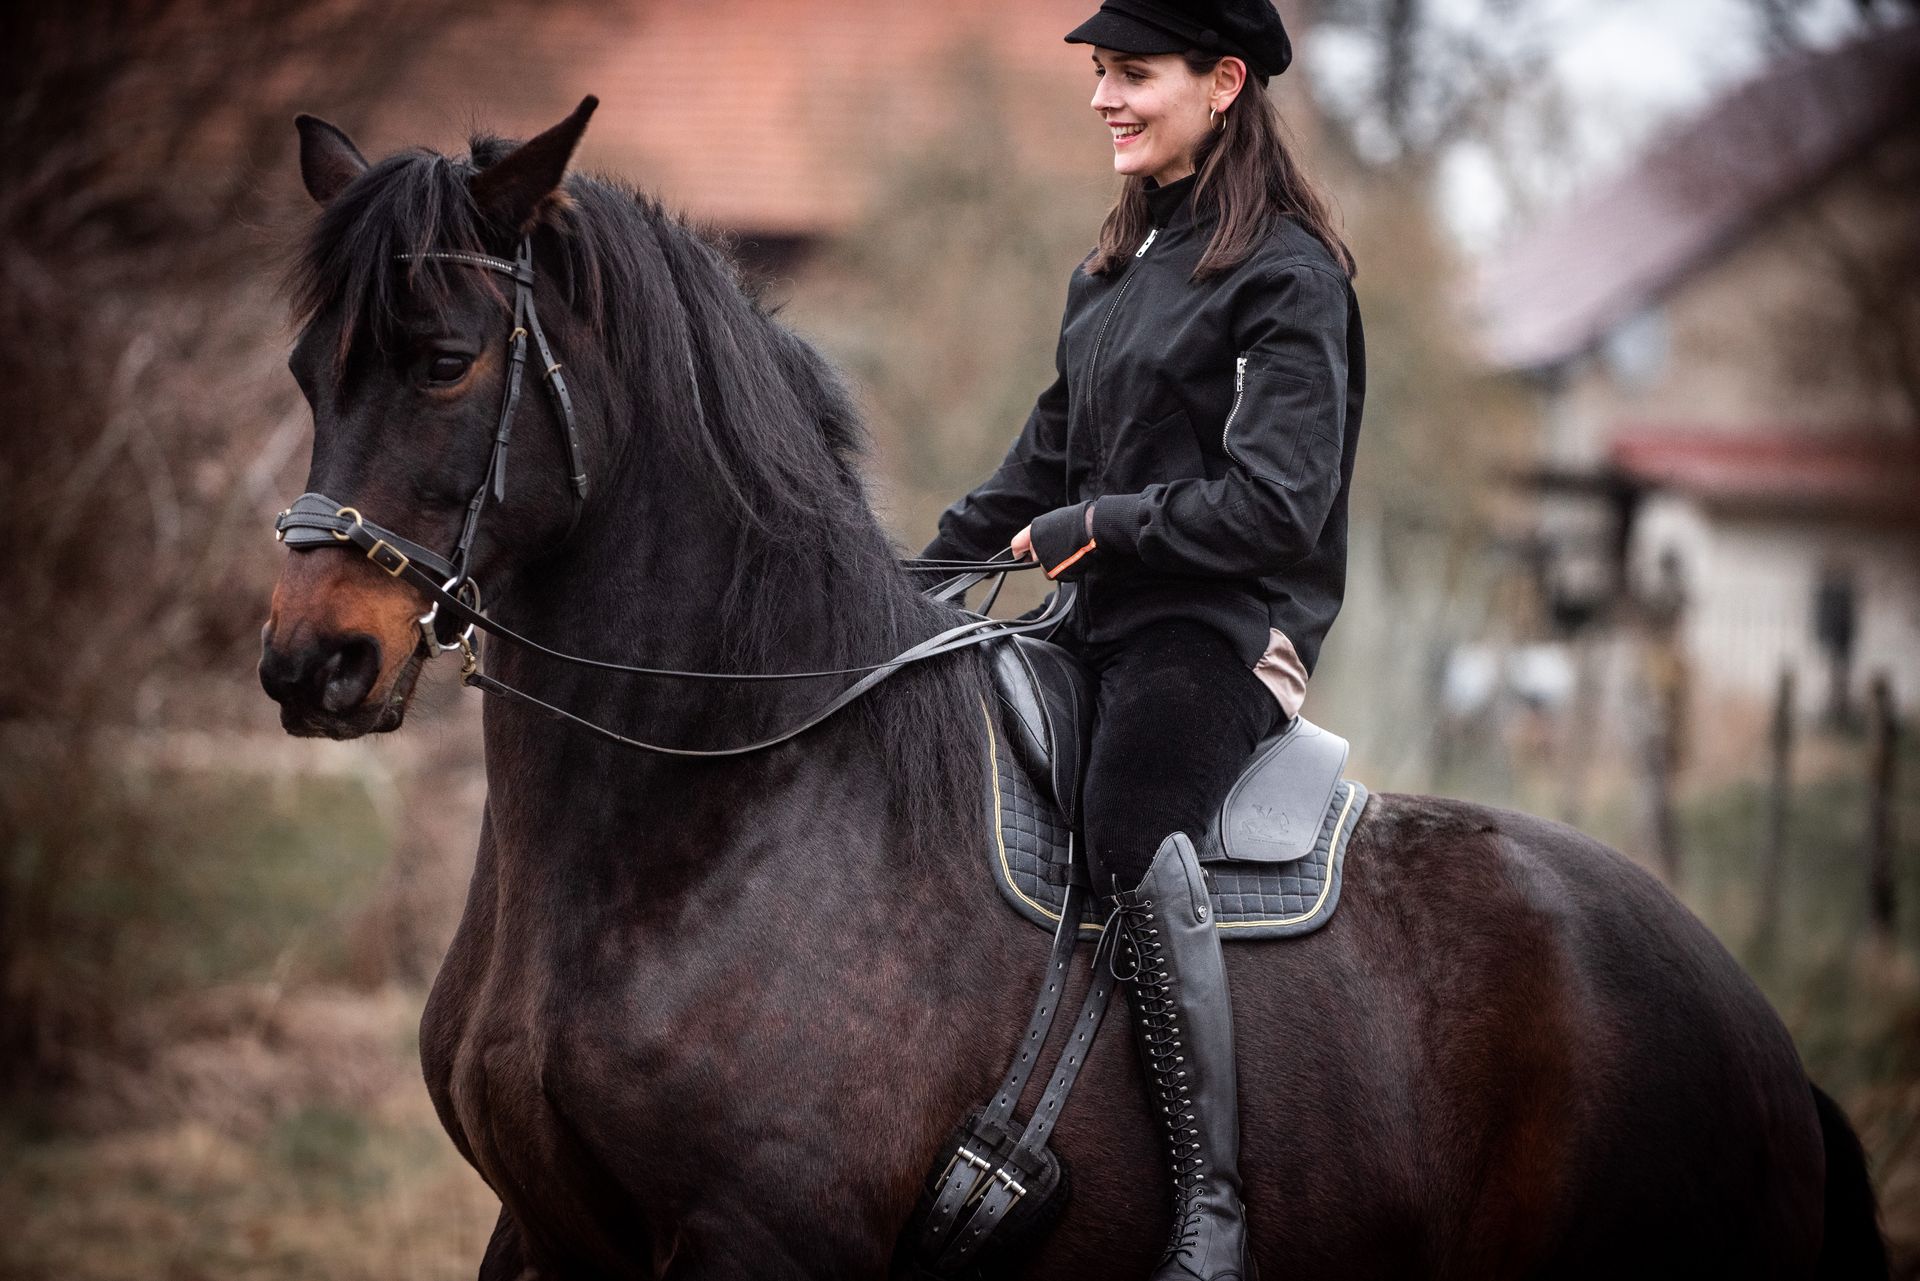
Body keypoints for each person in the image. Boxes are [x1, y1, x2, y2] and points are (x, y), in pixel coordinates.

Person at [920, 1, 1364, 1275]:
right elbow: (1039, 466)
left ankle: (1215, 1218)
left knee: (1124, 828)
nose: (1106, 97)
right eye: (1101, 74)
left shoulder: (1290, 275)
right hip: (1095, 623)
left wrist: (1100, 525)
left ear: (1224, 82)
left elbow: (1278, 505)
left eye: (1135, 74)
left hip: (1220, 635)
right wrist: (910, 580)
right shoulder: (1112, 273)